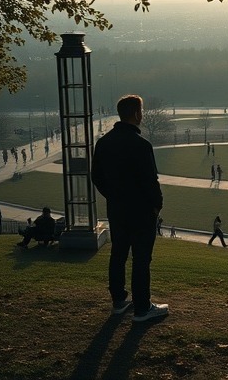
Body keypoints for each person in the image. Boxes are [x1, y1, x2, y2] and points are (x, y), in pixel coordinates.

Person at [91, 94, 169, 323]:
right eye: (141, 111)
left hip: (117, 209)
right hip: (142, 210)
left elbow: (97, 177)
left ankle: (118, 301)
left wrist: (114, 196)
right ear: (136, 114)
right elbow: (150, 180)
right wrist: (157, 205)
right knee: (141, 259)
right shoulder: (141, 145)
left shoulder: (104, 143)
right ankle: (142, 308)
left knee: (118, 254)